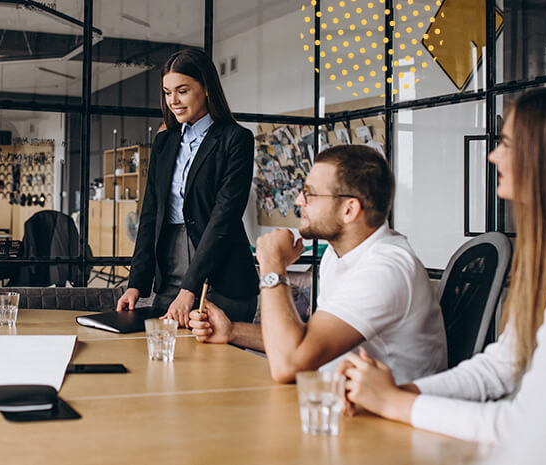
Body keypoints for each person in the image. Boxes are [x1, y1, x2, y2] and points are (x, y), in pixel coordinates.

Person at [339, 88, 546, 443]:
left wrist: (393, 402)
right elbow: (499, 368)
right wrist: (399, 393)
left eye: (506, 143)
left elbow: (522, 428)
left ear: (545, 156)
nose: (492, 156)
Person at [189, 145, 446, 384]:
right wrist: (232, 331)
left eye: (310, 193)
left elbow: (288, 364)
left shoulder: (386, 269)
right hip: (339, 405)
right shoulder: (337, 256)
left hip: (385, 423)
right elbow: (305, 342)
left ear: (349, 210)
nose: (299, 201)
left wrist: (272, 266)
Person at [116, 48, 259, 326]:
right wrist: (136, 283)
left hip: (224, 276)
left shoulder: (236, 139)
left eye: (182, 91)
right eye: (167, 92)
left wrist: (190, 288)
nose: (173, 101)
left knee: (215, 366)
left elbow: (224, 218)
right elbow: (150, 214)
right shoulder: (164, 142)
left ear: (206, 88)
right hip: (170, 270)